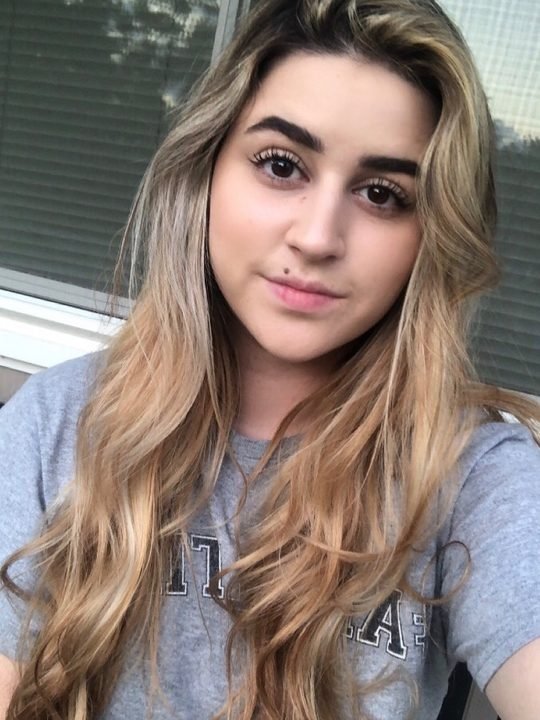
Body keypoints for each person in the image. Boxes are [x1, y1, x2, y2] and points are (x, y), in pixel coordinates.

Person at [0, 0, 539, 718]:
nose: (317, 237)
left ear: (432, 235)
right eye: (281, 165)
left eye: (383, 194)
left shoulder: (471, 474)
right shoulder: (56, 423)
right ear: (207, 170)